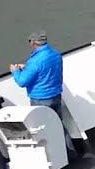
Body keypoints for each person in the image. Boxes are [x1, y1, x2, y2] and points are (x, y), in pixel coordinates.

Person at [9, 31, 78, 159]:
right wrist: (27, 67)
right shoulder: (55, 54)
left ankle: (54, 159)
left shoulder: (35, 61)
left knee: (43, 130)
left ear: (33, 42)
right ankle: (70, 154)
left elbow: (22, 82)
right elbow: (44, 71)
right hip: (56, 95)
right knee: (59, 125)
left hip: (40, 99)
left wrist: (15, 72)